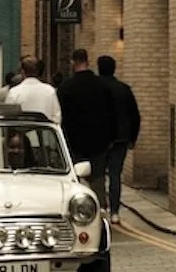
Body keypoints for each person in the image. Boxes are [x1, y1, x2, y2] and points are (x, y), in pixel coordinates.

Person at [57, 48, 116, 204]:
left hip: (74, 141)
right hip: (99, 140)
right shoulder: (102, 86)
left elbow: (60, 116)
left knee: (76, 178)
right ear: (88, 62)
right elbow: (111, 113)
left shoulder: (65, 87)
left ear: (72, 63)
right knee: (98, 178)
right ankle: (102, 209)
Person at [96, 55, 141, 223]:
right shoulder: (124, 89)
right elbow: (134, 115)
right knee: (115, 175)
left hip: (99, 139)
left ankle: (101, 208)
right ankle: (115, 212)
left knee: (98, 175)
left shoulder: (95, 88)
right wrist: (132, 138)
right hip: (121, 139)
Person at [6, 56, 62, 123]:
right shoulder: (50, 91)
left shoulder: (14, 92)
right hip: (45, 130)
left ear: (23, 71)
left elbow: (8, 117)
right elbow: (57, 116)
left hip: (22, 131)